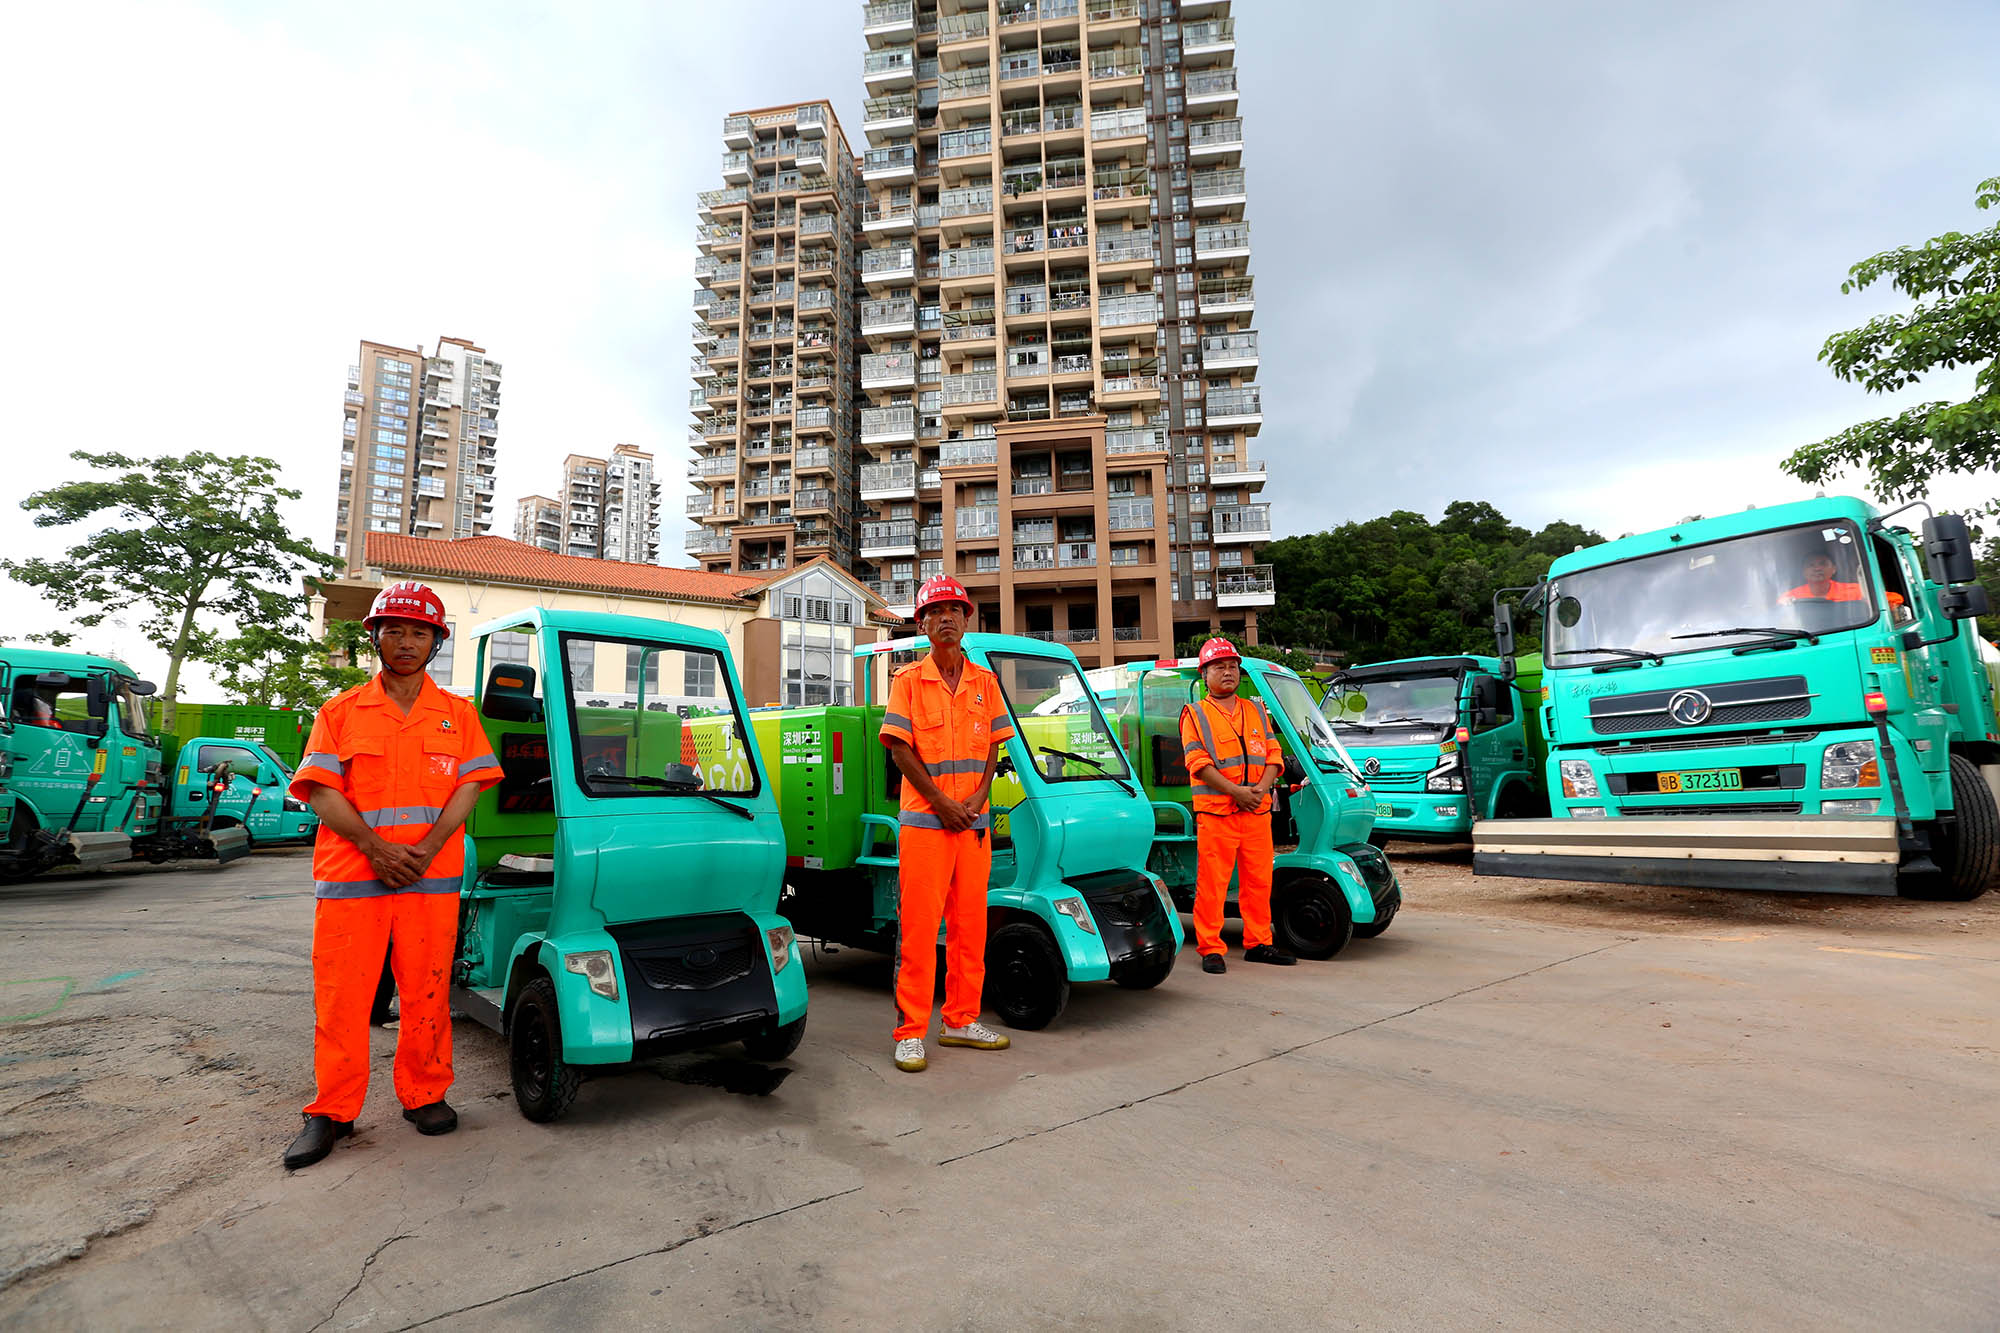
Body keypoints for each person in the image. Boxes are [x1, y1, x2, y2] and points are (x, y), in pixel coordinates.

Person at [281, 581, 503, 1170]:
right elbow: (319, 791)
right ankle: (332, 1110)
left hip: (429, 881)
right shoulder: (341, 711)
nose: (407, 642)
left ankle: (425, 1094)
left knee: (427, 989)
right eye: (395, 630)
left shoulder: (457, 715)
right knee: (342, 998)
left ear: (435, 643)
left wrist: (428, 846)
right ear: (374, 636)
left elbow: (470, 786)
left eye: (420, 632)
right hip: (355, 878)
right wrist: (374, 848)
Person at [877, 575, 1014, 1073]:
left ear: (967, 619)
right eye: (935, 611)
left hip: (972, 828)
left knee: (969, 928)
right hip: (927, 827)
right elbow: (898, 747)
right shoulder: (908, 681)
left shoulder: (985, 683)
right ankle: (911, 1031)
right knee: (917, 932)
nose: (946, 618)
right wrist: (941, 802)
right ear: (923, 623)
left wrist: (977, 798)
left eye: (954, 609)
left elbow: (993, 748)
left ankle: (959, 1020)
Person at [1179, 638, 1295, 973]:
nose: (1227, 672)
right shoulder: (1195, 714)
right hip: (1217, 814)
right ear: (1205, 674)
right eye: (1219, 666)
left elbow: (1273, 754)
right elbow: (1197, 762)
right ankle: (1211, 948)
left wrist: (1259, 789)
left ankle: (1259, 943)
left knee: (1259, 881)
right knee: (1213, 884)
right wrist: (1236, 792)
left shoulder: (1256, 709)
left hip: (1256, 812)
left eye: (1232, 666)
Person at [1780, 553, 1865, 604]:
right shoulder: (1789, 597)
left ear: (1834, 569)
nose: (1817, 568)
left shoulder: (1857, 590)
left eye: (1823, 564)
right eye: (1811, 565)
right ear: (1803, 572)